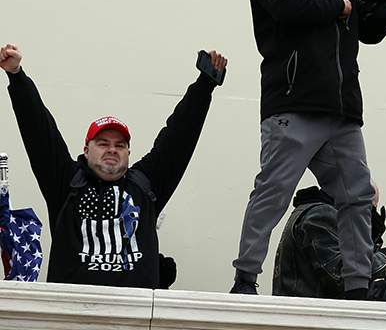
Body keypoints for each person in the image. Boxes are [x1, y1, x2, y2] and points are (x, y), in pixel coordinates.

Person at [232, 0, 386, 298]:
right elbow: (286, 4)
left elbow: (368, 29)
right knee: (272, 193)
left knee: (358, 196)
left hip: (341, 111)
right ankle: (244, 281)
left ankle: (358, 287)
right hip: (293, 104)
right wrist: (338, 5)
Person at [2, 43, 226, 287]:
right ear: (86, 151)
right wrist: (17, 75)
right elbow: (40, 132)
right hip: (73, 315)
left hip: (135, 318)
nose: (111, 149)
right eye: (103, 143)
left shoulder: (144, 186)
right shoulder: (66, 183)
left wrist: (205, 85)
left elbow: (179, 137)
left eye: (120, 145)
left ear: (128, 153)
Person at [272, 183, 386, 299]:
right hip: (308, 317)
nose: (369, 215)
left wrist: (370, 235)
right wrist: (385, 258)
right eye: (369, 208)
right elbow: (344, 277)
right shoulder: (321, 216)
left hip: (303, 314)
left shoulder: (316, 211)